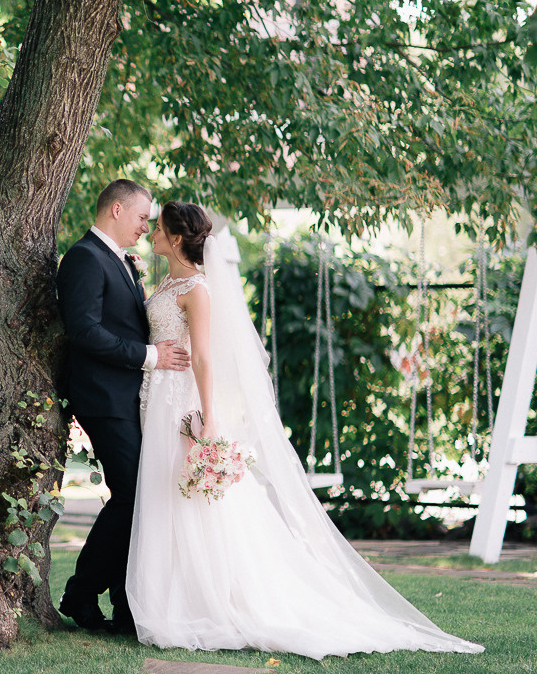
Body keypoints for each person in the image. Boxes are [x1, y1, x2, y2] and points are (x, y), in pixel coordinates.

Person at [125, 200, 484, 658]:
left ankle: (199, 603)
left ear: (176, 238)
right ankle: (171, 597)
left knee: (189, 500)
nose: (151, 234)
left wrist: (210, 417)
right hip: (156, 398)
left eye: (157, 229)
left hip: (180, 403)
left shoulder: (197, 287)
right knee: (164, 494)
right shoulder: (166, 279)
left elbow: (204, 356)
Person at [55, 180, 189, 633]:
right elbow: (84, 331)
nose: (144, 227)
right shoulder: (83, 259)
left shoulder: (119, 261)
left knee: (137, 496)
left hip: (125, 397)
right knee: (134, 495)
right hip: (102, 398)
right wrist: (151, 357)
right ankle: (81, 592)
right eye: (141, 217)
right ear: (116, 209)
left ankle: (125, 603)